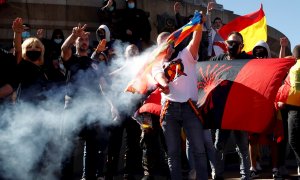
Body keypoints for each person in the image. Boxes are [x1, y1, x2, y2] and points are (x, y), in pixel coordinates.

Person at [152, 12, 208, 180]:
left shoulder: (186, 55)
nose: (167, 48)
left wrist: (199, 25)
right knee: (173, 152)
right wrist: (164, 85)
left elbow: (195, 41)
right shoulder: (155, 65)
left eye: (169, 44)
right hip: (169, 110)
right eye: (163, 46)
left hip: (190, 108)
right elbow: (159, 77)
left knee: (199, 149)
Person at [60, 23, 111, 180]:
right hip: (72, 107)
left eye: (86, 40)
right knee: (68, 148)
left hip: (92, 109)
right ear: (76, 43)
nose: (84, 42)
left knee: (92, 148)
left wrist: (111, 105)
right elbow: (64, 49)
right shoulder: (71, 59)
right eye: (80, 40)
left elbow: (102, 85)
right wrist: (74, 35)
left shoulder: (93, 63)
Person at [210, 31, 254, 180]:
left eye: (235, 43)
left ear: (242, 46)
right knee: (219, 145)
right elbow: (205, 69)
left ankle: (245, 176)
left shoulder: (248, 60)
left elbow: (262, 69)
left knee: (242, 146)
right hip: (222, 111)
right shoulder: (219, 59)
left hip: (240, 110)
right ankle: (217, 175)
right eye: (230, 42)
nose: (232, 45)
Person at [249, 40, 284, 179]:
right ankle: (253, 167)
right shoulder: (250, 67)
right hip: (254, 108)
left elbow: (281, 70)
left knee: (273, 140)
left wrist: (283, 47)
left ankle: (275, 168)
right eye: (257, 52)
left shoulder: (272, 66)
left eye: (262, 53)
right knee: (252, 139)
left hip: (270, 108)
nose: (260, 56)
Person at [277, 45, 300, 178]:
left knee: (293, 139)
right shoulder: (289, 72)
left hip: (292, 108)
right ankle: (281, 166)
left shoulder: (294, 70)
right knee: (285, 139)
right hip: (285, 111)